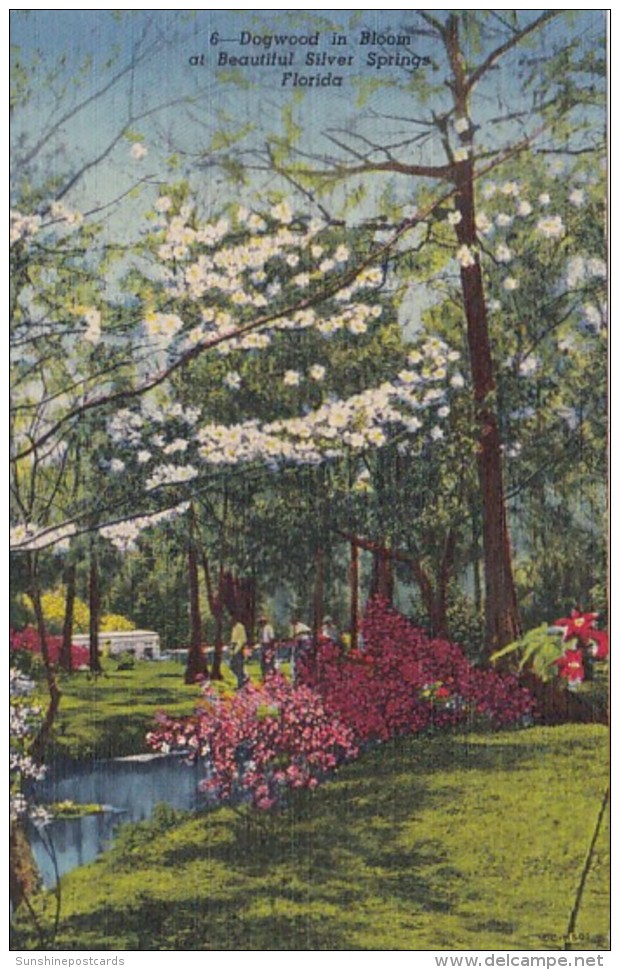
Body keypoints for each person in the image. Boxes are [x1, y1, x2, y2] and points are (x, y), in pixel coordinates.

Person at [290, 616, 311, 683]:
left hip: (303, 643)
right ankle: (295, 676)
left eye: (293, 621)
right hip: (296, 643)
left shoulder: (301, 625)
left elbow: (309, 630)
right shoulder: (292, 627)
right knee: (295, 659)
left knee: (302, 658)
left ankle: (303, 676)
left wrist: (300, 633)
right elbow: (292, 636)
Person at [229, 616, 249, 689]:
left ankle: (240, 684)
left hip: (239, 649)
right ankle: (244, 677)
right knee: (232, 666)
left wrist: (236, 650)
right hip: (234, 648)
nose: (230, 620)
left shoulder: (240, 627)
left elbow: (242, 640)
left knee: (239, 666)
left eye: (232, 619)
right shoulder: (233, 628)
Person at [258, 614, 276, 680]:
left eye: (262, 621)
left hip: (268, 645)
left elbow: (272, 638)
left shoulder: (269, 627)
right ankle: (264, 676)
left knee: (269, 661)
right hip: (262, 645)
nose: (261, 623)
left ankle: (271, 675)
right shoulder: (261, 629)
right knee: (262, 661)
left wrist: (271, 648)